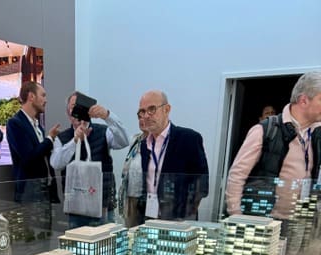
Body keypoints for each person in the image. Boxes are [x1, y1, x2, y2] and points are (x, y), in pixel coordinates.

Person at [226, 71, 321, 220]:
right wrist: (237, 217)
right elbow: (237, 175)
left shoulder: (317, 134)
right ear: (303, 101)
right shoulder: (265, 130)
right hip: (266, 222)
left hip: (302, 223)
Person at [50, 91, 130, 227]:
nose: (76, 110)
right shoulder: (62, 138)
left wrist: (107, 116)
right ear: (68, 113)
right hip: (76, 208)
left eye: (80, 106)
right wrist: (74, 141)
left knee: (106, 239)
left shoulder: (103, 131)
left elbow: (124, 141)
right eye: (73, 106)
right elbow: (56, 163)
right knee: (76, 240)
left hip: (103, 205)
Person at [137, 89, 209, 221]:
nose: (146, 116)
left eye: (152, 109)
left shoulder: (189, 138)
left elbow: (201, 183)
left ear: (167, 109)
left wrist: (187, 213)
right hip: (150, 216)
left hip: (179, 218)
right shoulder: (144, 145)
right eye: (142, 111)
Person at [6, 80, 60, 207]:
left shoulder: (38, 126)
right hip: (29, 193)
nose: (46, 100)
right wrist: (49, 139)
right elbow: (28, 157)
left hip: (44, 191)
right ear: (31, 96)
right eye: (43, 95)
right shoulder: (15, 123)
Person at [118, 114, 149, 228]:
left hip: (147, 198)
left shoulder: (158, 142)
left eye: (145, 117)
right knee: (130, 231)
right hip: (130, 194)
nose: (142, 120)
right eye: (139, 117)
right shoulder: (135, 139)